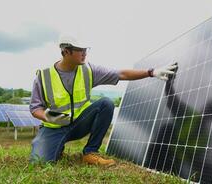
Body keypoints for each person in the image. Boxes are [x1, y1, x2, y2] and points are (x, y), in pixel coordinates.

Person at [29, 35, 177, 166]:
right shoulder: (44, 76)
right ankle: (56, 145)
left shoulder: (88, 70)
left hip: (79, 124)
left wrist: (151, 72)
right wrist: (49, 117)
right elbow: (35, 108)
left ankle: (90, 153)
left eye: (86, 49)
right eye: (81, 50)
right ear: (66, 51)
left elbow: (121, 74)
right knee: (40, 163)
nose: (85, 53)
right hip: (54, 127)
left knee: (106, 103)